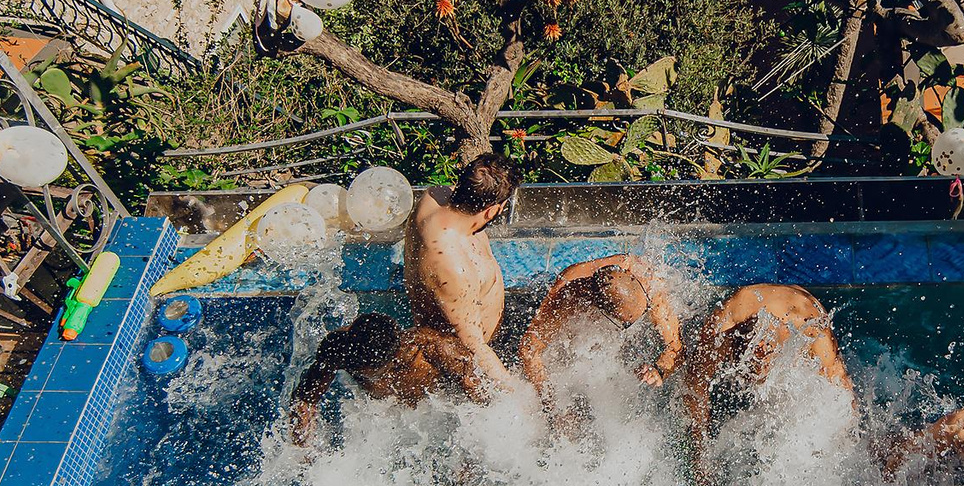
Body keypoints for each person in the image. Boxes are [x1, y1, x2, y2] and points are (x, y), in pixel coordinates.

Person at [676, 284, 853, 485]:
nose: (752, 380)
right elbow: (694, 385)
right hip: (747, 313)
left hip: (798, 310)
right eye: (749, 373)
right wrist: (699, 459)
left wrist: (846, 446)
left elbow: (843, 392)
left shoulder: (811, 327)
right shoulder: (728, 320)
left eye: (758, 371)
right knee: (700, 361)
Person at [402, 152, 519, 398]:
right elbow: (473, 346)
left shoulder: (436, 196)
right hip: (461, 371)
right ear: (491, 212)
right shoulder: (449, 264)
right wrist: (520, 397)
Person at [287, 313, 475, 444]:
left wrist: (471, 455)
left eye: (369, 370)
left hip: (437, 420)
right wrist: (302, 447)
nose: (360, 373)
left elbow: (481, 402)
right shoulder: (340, 348)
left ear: (396, 355)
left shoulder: (437, 350)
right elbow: (305, 399)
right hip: (386, 426)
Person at [519, 255, 685, 395]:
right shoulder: (568, 293)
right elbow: (529, 350)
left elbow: (676, 348)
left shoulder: (650, 285)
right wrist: (550, 402)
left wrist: (659, 370)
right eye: (626, 323)